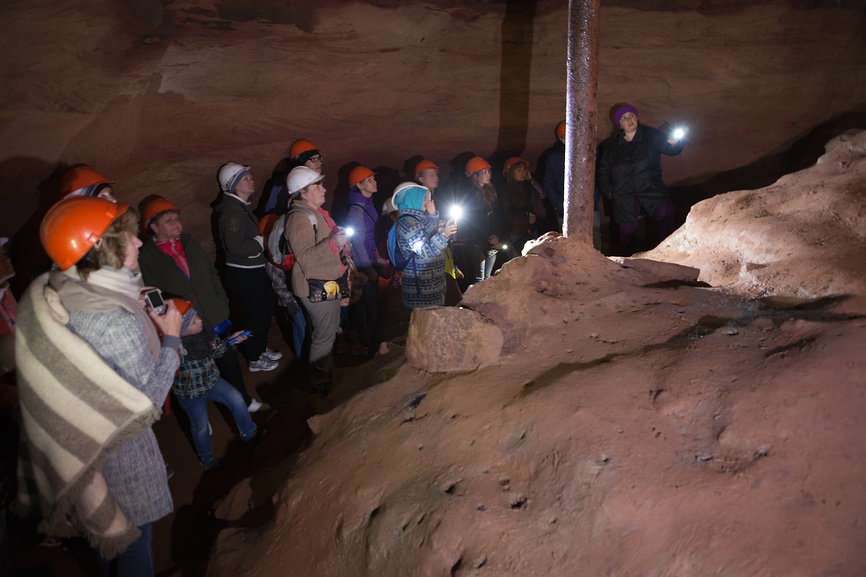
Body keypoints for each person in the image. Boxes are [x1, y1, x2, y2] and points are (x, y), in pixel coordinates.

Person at [15, 197, 182, 575]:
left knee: (108, 542)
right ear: (103, 246)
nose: (139, 242)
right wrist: (171, 339)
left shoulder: (62, 292)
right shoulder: (113, 321)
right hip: (120, 456)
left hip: (82, 447)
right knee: (135, 542)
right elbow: (144, 406)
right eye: (129, 237)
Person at [138, 196, 270, 412]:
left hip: (214, 314)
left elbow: (211, 272)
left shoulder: (189, 243)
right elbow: (150, 292)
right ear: (153, 227)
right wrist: (166, 319)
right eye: (169, 220)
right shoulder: (146, 258)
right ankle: (199, 415)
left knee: (229, 361)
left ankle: (244, 402)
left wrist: (221, 300)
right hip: (186, 324)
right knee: (194, 370)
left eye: (177, 218)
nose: (176, 223)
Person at [169, 298, 261, 471]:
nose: (200, 320)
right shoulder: (174, 348)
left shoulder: (205, 334)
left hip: (212, 381)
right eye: (194, 321)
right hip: (190, 394)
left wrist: (232, 340)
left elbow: (217, 350)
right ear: (181, 330)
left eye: (196, 316)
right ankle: (206, 457)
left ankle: (249, 432)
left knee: (236, 398)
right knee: (200, 426)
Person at [284, 166, 350, 395]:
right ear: (303, 192)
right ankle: (320, 381)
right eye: (317, 186)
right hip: (315, 286)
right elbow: (305, 257)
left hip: (327, 281)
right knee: (324, 335)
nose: (324, 189)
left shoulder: (319, 213)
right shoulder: (298, 219)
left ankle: (327, 370)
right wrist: (333, 243)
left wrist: (341, 243)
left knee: (328, 330)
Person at [213, 163, 281, 372]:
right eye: (245, 178)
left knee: (264, 310)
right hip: (244, 273)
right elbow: (235, 246)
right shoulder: (233, 211)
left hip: (251, 270)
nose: (251, 180)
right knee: (255, 315)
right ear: (233, 185)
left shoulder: (239, 207)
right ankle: (254, 357)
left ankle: (259, 347)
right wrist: (262, 241)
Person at [596, 104, 685, 256]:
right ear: (620, 124)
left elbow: (669, 147)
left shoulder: (651, 136)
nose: (629, 119)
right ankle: (628, 264)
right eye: (624, 118)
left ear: (637, 117)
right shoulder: (612, 148)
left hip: (650, 188)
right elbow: (602, 173)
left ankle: (671, 254)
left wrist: (674, 142)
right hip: (624, 194)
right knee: (626, 231)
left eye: (631, 115)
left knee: (666, 212)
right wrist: (611, 193)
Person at [391, 182, 457, 309]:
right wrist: (444, 235)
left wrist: (432, 216)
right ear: (412, 198)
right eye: (423, 198)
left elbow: (428, 234)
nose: (427, 201)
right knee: (427, 325)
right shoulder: (408, 223)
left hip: (430, 283)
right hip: (422, 289)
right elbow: (426, 251)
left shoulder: (416, 219)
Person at [344, 165, 384, 355]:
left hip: (368, 259)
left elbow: (369, 236)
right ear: (359, 185)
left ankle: (368, 339)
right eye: (369, 180)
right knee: (362, 304)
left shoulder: (368, 203)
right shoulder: (357, 210)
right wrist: (368, 269)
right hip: (362, 264)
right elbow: (358, 242)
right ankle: (363, 342)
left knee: (368, 302)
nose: (374, 182)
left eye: (373, 179)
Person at [459, 156, 511, 285]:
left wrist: (497, 235)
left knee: (487, 277)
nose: (488, 175)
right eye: (484, 172)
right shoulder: (469, 194)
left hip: (492, 239)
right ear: (475, 176)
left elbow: (498, 214)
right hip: (477, 241)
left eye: (488, 172)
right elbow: (472, 220)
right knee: (479, 277)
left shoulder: (491, 191)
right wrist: (489, 236)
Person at [261, 139, 324, 216]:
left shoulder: (317, 182)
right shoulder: (282, 186)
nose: (319, 163)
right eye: (314, 159)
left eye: (319, 158)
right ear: (300, 163)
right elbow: (271, 215)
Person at [500, 157, 546, 254]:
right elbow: (506, 216)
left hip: (531, 230)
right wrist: (526, 219)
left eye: (524, 170)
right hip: (516, 234)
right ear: (511, 173)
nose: (523, 173)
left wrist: (531, 180)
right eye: (519, 170)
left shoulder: (528, 186)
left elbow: (542, 194)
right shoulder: (506, 191)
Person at [543, 121, 567, 230]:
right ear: (561, 139)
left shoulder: (590, 153)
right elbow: (549, 184)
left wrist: (593, 200)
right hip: (564, 210)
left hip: (589, 209)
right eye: (566, 137)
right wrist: (560, 205)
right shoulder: (554, 158)